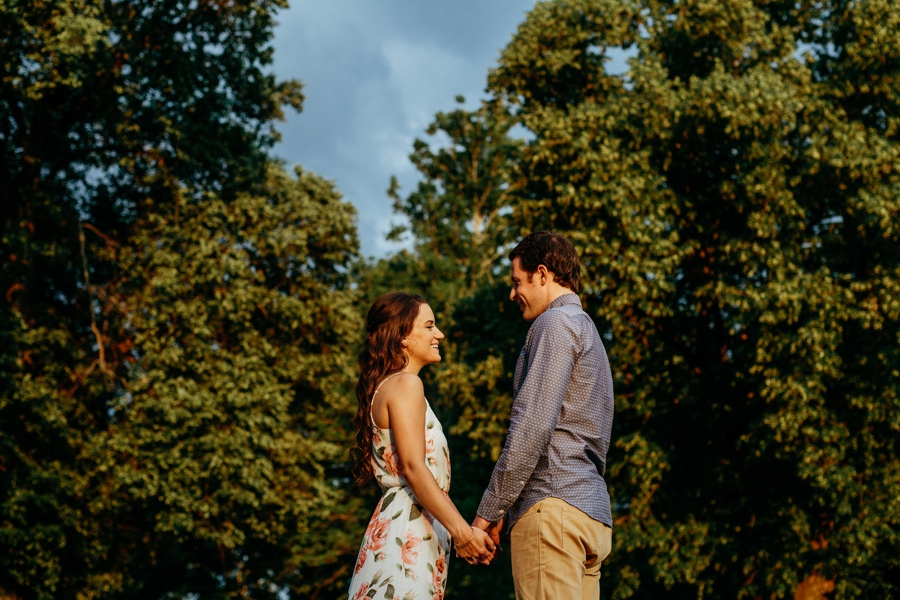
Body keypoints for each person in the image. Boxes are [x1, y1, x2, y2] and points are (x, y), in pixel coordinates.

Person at [472, 231, 615, 600]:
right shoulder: (590, 334)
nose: (512, 294)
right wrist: (509, 504)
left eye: (517, 282)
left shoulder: (553, 325)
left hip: (552, 512)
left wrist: (487, 512)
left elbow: (532, 428)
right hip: (589, 516)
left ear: (542, 273)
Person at [348, 291, 496, 600]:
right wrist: (464, 534)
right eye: (429, 326)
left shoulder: (393, 386)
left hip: (413, 531)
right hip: (407, 533)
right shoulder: (406, 384)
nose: (439, 334)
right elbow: (415, 467)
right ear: (403, 336)